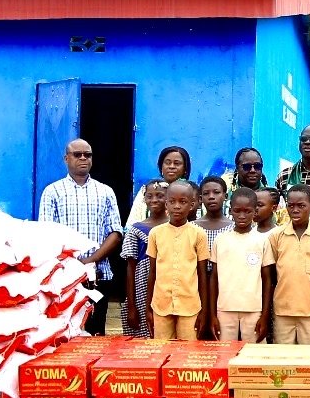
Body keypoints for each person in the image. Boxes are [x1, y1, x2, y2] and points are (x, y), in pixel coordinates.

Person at [39, 138, 123, 336]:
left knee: (95, 333)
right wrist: (73, 265)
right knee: (64, 332)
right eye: (78, 155)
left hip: (98, 276)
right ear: (66, 158)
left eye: (88, 155)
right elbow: (47, 234)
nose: (83, 158)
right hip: (64, 277)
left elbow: (116, 234)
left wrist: (89, 261)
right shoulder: (52, 192)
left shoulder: (105, 192)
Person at [263, 185, 310, 345]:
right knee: (284, 362)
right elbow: (272, 272)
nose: (295, 210)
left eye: (301, 206)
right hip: (283, 311)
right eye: (291, 205)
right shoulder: (276, 236)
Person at [144, 179, 213, 341]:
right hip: (161, 304)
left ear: (192, 205)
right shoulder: (155, 233)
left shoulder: (199, 234)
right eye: (172, 201)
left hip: (190, 305)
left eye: (183, 202)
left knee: (188, 353)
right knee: (161, 351)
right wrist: (148, 307)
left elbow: (203, 275)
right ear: (166, 204)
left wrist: (204, 311)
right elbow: (152, 272)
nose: (177, 206)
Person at [211, 188, 272, 343]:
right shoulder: (221, 239)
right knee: (224, 354)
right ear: (230, 210)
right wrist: (212, 314)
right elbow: (214, 278)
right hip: (225, 308)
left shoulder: (262, 240)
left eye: (248, 211)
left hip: (253, 308)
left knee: (255, 356)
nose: (242, 216)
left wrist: (265, 315)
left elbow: (267, 279)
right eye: (237, 211)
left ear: (255, 211)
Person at [119, 180, 167, 338]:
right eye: (149, 196)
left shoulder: (177, 227)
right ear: (144, 199)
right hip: (141, 289)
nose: (154, 200)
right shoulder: (136, 229)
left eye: (160, 196)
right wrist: (132, 306)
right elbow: (130, 268)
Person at [125, 145, 192, 231]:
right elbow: (133, 222)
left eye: (177, 163)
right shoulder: (147, 189)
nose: (171, 166)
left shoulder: (192, 191)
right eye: (167, 163)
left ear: (185, 168)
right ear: (161, 167)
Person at [194, 176, 233, 253]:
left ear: (225, 196)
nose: (211, 197)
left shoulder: (234, 228)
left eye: (216, 192)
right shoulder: (192, 227)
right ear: (200, 199)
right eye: (206, 193)